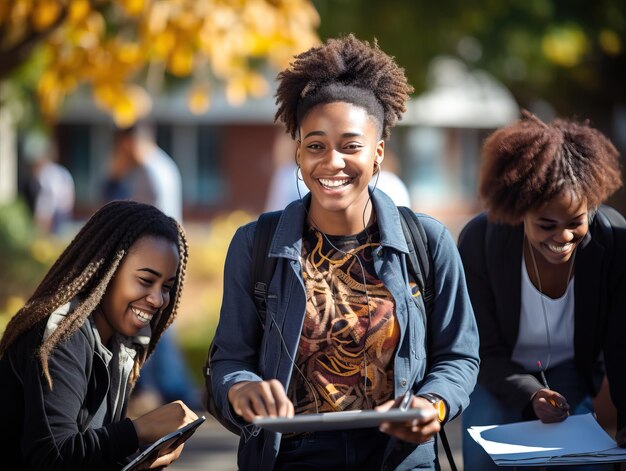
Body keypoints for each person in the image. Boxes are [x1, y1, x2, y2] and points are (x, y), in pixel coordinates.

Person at [210, 34, 480, 471]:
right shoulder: (254, 244)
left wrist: (434, 404)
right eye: (315, 146)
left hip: (399, 457)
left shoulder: (427, 242)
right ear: (297, 153)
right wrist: (241, 389)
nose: (332, 162)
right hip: (293, 456)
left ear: (377, 155)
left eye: (350, 146)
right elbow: (229, 360)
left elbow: (458, 356)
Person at [458, 111, 626, 470]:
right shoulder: (481, 241)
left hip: (571, 371)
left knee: (586, 462)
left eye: (575, 223)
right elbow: (480, 347)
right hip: (496, 372)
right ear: (521, 213)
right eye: (546, 225)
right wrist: (530, 393)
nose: (563, 238)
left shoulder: (613, 241)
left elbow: (620, 343)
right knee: (485, 456)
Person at [0, 200, 198, 470]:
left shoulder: (121, 342)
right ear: (107, 271)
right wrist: (139, 429)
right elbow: (52, 455)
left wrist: (140, 459)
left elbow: (88, 450)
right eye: (145, 280)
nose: (158, 299)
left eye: (167, 286)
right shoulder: (63, 333)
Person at [23, 131, 75, 235]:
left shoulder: (46, 174)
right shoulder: (61, 172)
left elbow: (46, 204)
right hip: (64, 219)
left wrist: (41, 227)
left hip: (54, 223)